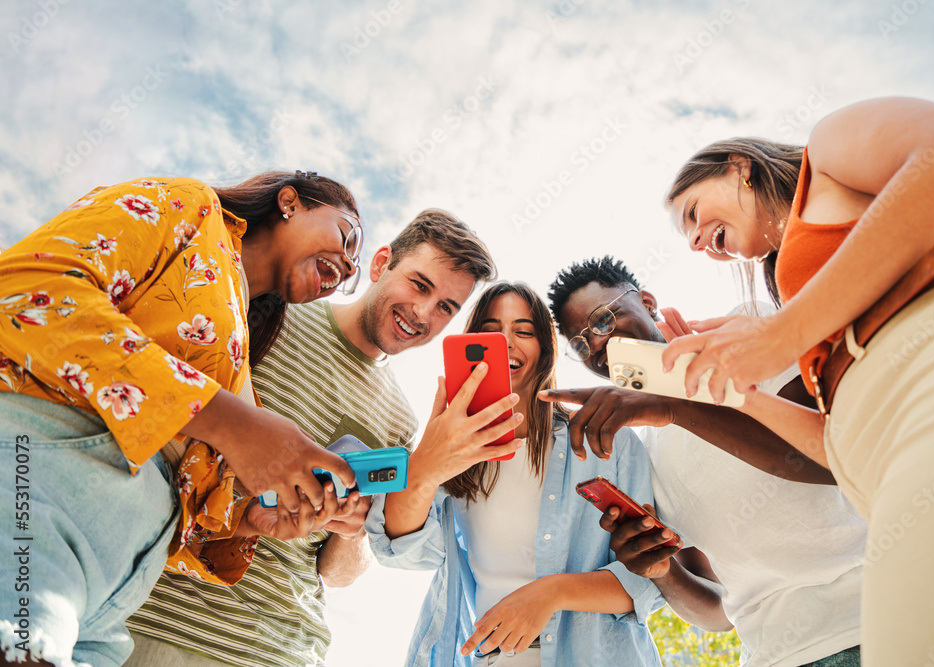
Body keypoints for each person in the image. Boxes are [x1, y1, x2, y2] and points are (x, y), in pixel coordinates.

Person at [661, 97, 934, 664]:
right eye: (687, 237)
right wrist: (738, 393)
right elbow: (834, 446)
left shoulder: (829, 150)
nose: (695, 240)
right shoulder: (801, 300)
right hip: (888, 482)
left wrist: (781, 334)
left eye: (693, 213)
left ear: (739, 167)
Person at [0, 171, 362, 667]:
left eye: (353, 267)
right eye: (347, 236)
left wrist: (247, 520)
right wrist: (235, 425)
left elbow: (186, 501)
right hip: (40, 484)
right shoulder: (189, 204)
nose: (349, 264)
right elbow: (28, 291)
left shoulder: (237, 355)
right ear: (289, 202)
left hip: (114, 593)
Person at [124, 209, 497, 666]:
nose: (423, 313)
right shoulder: (270, 313)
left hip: (286, 649)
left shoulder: (400, 419)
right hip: (162, 618)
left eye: (445, 308)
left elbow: (337, 575)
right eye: (419, 285)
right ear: (381, 264)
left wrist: (350, 530)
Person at [543, 256, 866, 666]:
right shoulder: (647, 456)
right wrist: (663, 572)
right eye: (581, 344)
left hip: (871, 622)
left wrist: (674, 405)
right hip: (771, 656)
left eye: (604, 320)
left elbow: (831, 458)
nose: (597, 345)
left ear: (647, 302)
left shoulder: (742, 330)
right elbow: (717, 613)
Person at [367, 281, 665, 667]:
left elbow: (649, 581)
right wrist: (427, 463)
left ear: (544, 352)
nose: (506, 343)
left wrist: (552, 593)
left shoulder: (607, 438)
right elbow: (402, 552)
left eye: (523, 331)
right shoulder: (454, 454)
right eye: (490, 332)